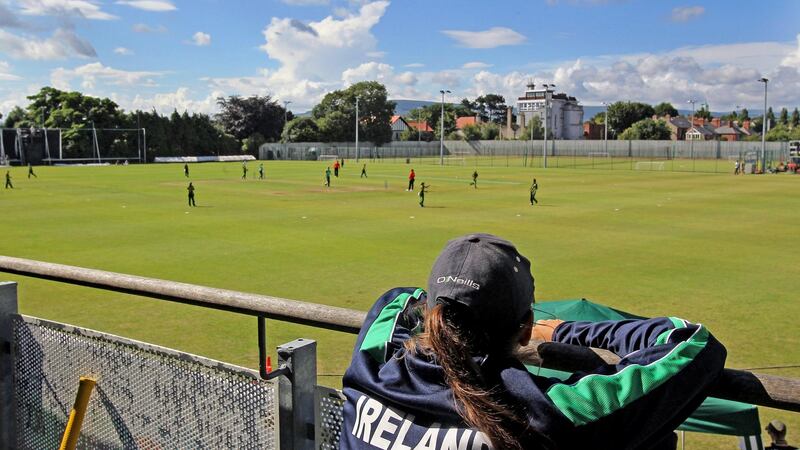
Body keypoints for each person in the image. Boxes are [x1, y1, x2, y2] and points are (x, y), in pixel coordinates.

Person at [341, 233, 727, 450]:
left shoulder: (371, 368)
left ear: (433, 317)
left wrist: (450, 296)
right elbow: (692, 344)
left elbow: (396, 298)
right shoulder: (551, 412)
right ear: (525, 327)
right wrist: (561, 331)